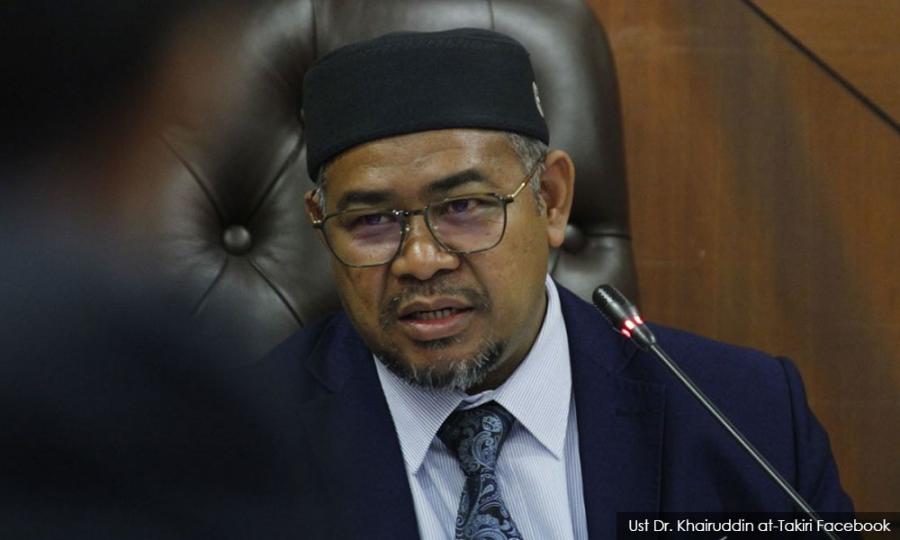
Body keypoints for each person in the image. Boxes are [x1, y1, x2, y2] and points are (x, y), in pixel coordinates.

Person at [250, 28, 855, 539]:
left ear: (552, 199)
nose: (422, 259)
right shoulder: (235, 449)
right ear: (321, 224)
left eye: (464, 207)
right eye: (371, 221)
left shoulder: (747, 419)